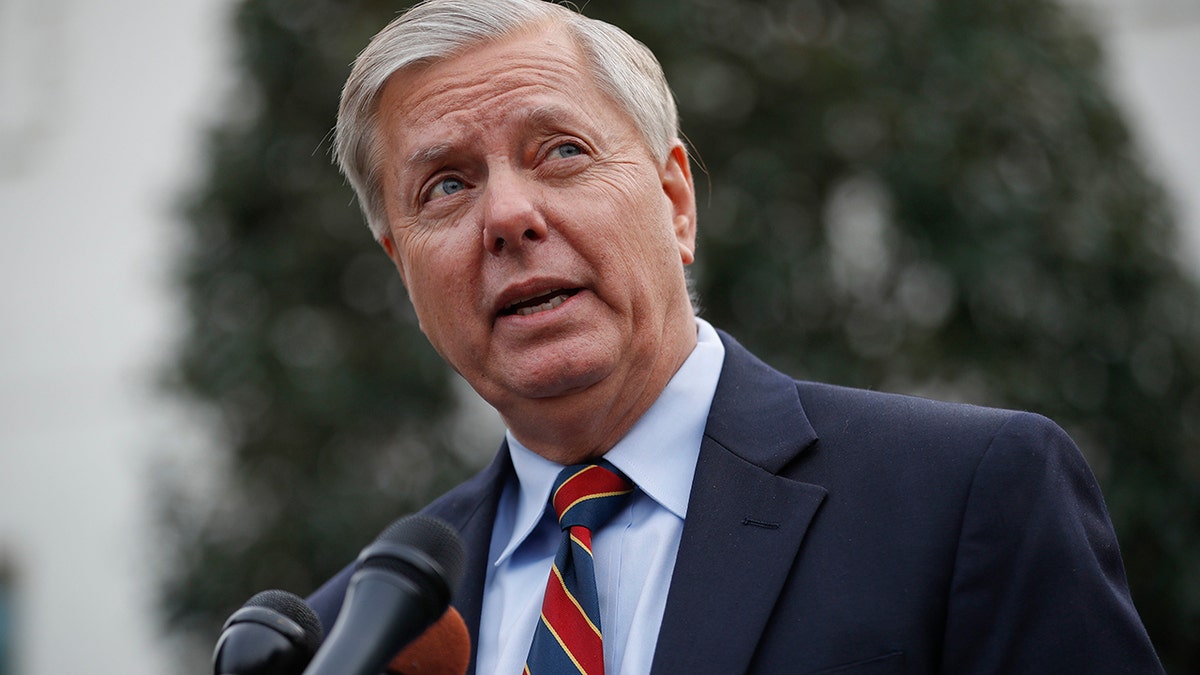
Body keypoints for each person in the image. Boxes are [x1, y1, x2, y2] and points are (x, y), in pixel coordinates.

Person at [308, 0, 1163, 672]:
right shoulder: (355, 632)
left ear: (676, 202)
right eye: (446, 186)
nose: (508, 216)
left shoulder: (964, 498)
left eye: (561, 151)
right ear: (402, 268)